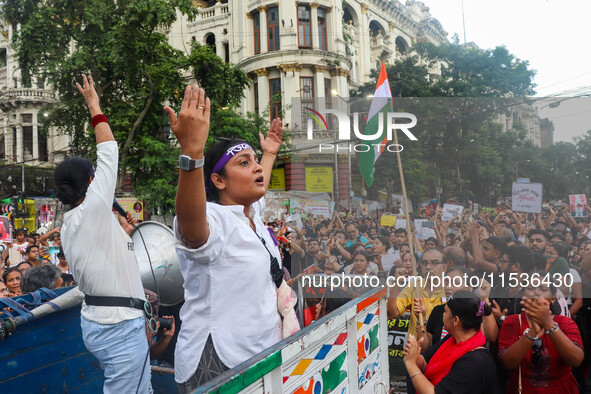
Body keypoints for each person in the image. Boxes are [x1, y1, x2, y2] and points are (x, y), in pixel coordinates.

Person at [168, 82, 298, 392]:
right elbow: (192, 227)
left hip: (260, 355)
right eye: (244, 163)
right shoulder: (214, 219)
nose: (257, 169)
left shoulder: (248, 212)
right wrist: (191, 153)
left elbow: (260, 184)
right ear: (218, 180)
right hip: (217, 360)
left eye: (255, 162)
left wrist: (267, 154)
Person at [54, 74, 149, 393]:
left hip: (101, 320)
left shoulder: (72, 221)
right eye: (96, 178)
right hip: (118, 326)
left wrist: (122, 230)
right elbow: (109, 149)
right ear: (91, 182)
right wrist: (94, 104)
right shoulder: (93, 206)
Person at [498, 275, 584, 393]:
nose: (536, 293)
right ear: (523, 296)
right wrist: (532, 332)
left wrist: (548, 323)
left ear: (553, 298)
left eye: (543, 290)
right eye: (530, 289)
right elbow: (508, 363)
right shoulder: (512, 322)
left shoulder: (565, 323)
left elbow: (576, 360)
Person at [403, 290, 497, 393]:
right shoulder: (451, 340)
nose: (442, 315)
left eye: (445, 311)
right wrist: (414, 355)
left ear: (456, 320)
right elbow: (425, 362)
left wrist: (411, 363)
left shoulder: (474, 362)